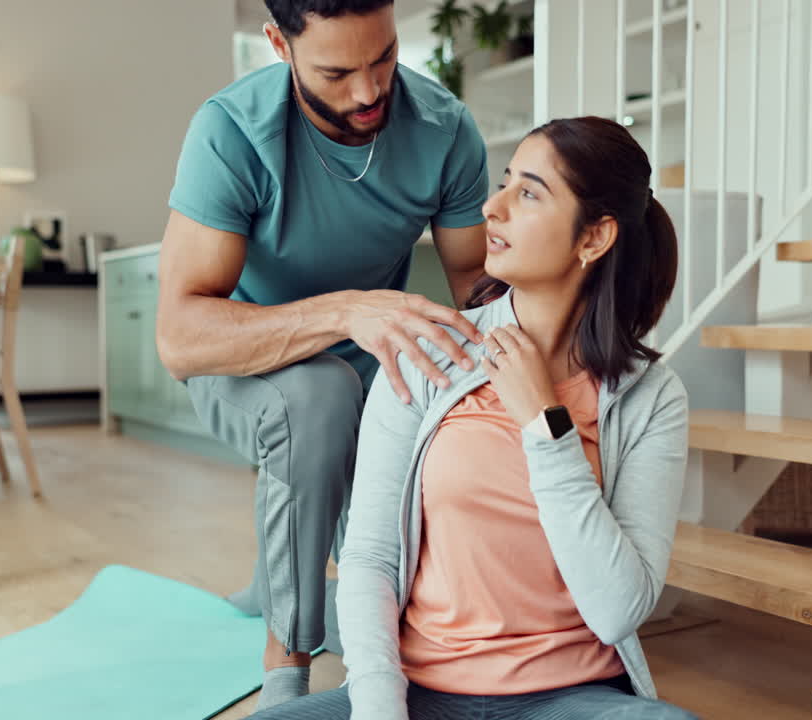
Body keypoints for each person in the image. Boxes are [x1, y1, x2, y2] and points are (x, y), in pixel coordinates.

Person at [256, 116, 697, 719]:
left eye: (529, 193)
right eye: (505, 182)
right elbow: (371, 558)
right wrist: (380, 709)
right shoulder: (428, 352)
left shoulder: (651, 396)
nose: (493, 207)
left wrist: (545, 422)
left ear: (594, 237)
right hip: (421, 696)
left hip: (572, 699)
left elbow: (619, 609)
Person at [155, 0, 490, 710]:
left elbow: (482, 299)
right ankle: (286, 668)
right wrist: (345, 310)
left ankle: (283, 577)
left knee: (430, 404)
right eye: (337, 73)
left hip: (374, 370)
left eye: (385, 57)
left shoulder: (444, 130)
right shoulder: (231, 133)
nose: (369, 91)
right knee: (319, 393)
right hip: (240, 360)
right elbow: (180, 339)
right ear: (278, 44)